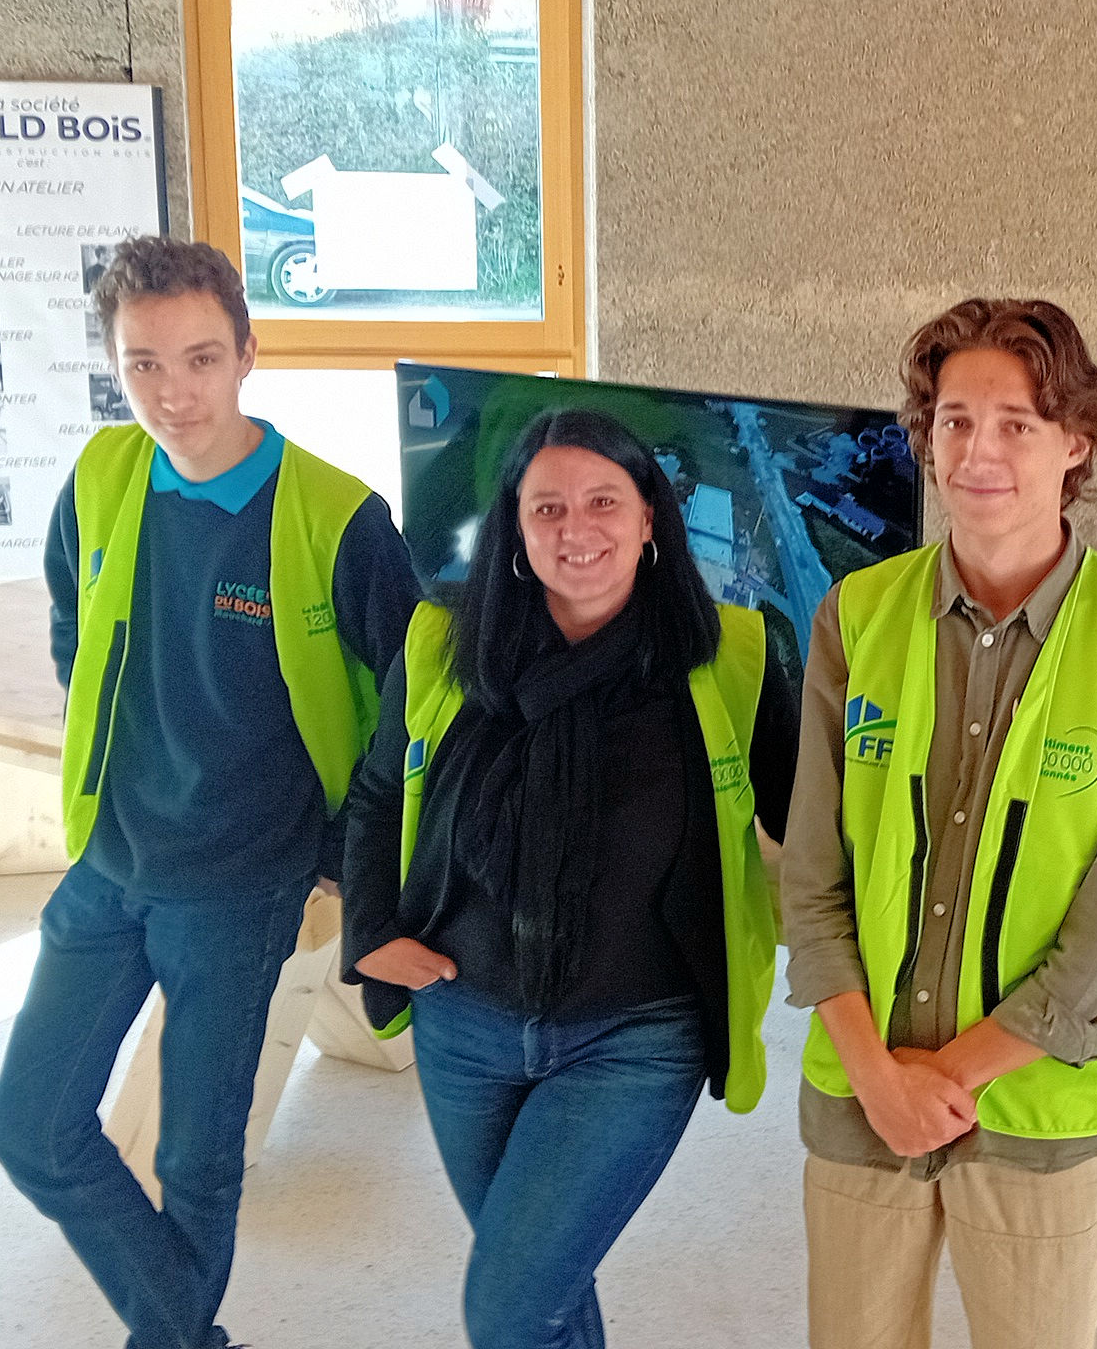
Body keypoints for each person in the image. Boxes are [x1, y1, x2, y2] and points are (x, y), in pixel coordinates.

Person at [0, 236, 421, 1349]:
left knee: (194, 1157)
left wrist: (338, 859)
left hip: (243, 885)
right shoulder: (101, 479)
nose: (172, 394)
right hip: (112, 862)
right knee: (29, 1128)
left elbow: (411, 707)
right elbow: (73, 631)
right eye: (142, 365)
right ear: (114, 363)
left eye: (199, 360)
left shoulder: (338, 517)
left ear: (247, 355)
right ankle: (186, 1335)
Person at [782, 298, 1097, 1349]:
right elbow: (810, 875)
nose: (980, 451)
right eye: (954, 420)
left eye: (1016, 423)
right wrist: (883, 1080)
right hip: (863, 1086)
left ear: (1075, 443)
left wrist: (950, 1076)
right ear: (924, 437)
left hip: (1042, 1109)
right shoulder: (857, 616)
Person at [339, 407, 796, 1349]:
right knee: (543, 1289)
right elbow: (380, 791)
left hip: (634, 1039)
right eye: (546, 507)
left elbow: (821, 833)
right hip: (462, 1025)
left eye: (602, 502)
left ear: (649, 523)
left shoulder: (732, 659)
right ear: (512, 526)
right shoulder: (441, 644)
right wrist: (371, 936)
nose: (574, 529)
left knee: (506, 1304)